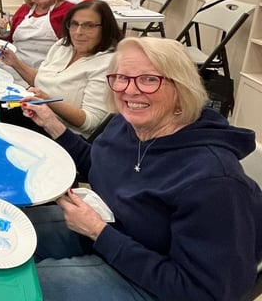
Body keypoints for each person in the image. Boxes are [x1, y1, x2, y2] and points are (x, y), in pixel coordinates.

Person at [21, 37, 262, 300]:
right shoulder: (128, 124)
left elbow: (205, 292)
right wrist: (52, 124)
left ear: (181, 88)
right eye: (122, 77)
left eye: (149, 79)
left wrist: (98, 232)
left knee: (21, 289)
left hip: (160, 283)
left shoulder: (214, 181)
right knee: (12, 235)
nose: (130, 90)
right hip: (115, 234)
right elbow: (100, 166)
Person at [0, 0, 123, 138]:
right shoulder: (63, 46)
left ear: (105, 28)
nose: (78, 32)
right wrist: (14, 62)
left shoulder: (107, 64)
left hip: (63, 134)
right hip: (37, 116)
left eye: (89, 26)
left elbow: (89, 123)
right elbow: (41, 80)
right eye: (74, 24)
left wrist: (46, 100)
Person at [0, 0, 75, 73]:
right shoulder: (24, 9)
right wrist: (4, 29)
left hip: (46, 71)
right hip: (13, 65)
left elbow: (75, 48)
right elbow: (7, 39)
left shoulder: (68, 11)